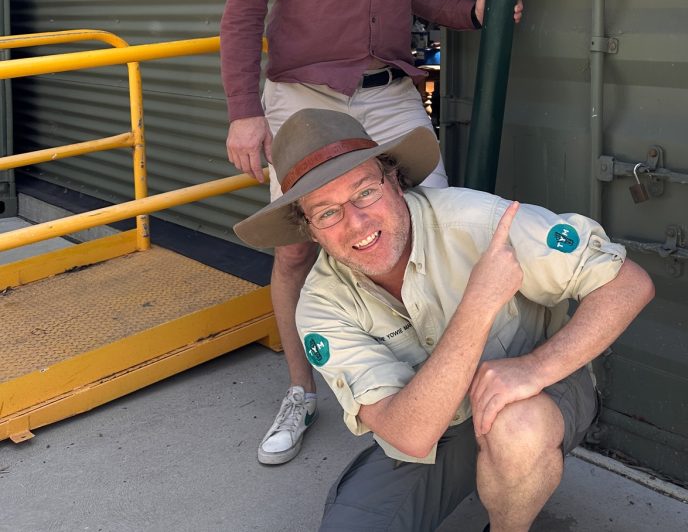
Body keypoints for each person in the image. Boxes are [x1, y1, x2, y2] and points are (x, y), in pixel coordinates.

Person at [219, 0, 524, 466]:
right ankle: (300, 389)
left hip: (386, 93)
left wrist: (472, 13)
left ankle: (430, 381)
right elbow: (243, 4)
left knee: (435, 225)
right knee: (297, 246)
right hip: (301, 96)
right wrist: (243, 107)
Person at [232, 108, 654, 532]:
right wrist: (478, 304)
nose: (357, 222)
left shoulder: (480, 221)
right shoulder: (320, 306)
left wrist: (535, 368)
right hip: (432, 423)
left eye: (364, 192)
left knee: (518, 429)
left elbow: (629, 285)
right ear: (309, 230)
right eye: (327, 213)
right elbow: (410, 435)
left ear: (394, 179)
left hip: (537, 396)